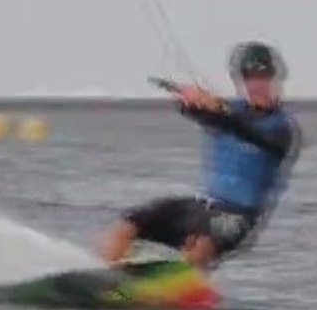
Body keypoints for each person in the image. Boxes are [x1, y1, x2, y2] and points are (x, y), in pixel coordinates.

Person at [99, 41, 301, 272]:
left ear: (275, 78)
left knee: (201, 243)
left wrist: (219, 109)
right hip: (200, 206)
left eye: (263, 76)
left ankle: (178, 285)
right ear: (242, 80)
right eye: (250, 77)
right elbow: (199, 114)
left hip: (237, 217)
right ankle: (106, 276)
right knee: (128, 224)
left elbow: (248, 131)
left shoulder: (282, 128)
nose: (257, 84)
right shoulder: (227, 109)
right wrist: (191, 100)